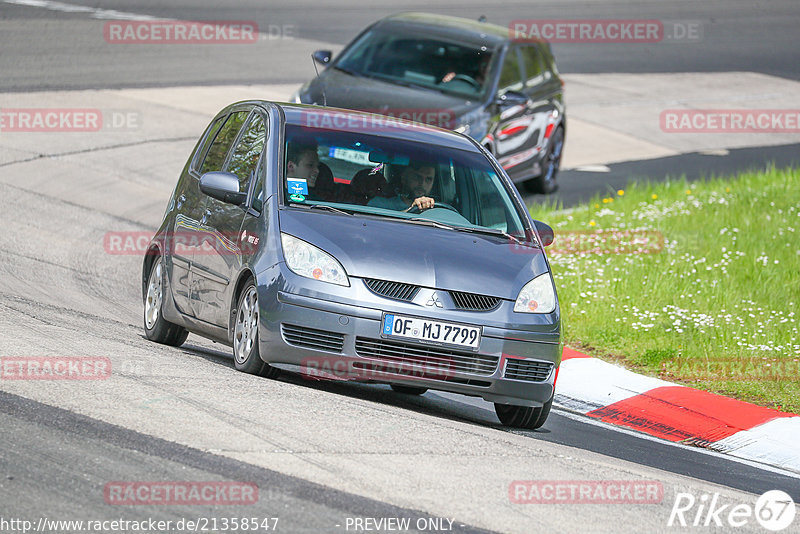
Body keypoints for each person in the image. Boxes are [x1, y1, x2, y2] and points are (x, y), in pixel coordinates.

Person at [367, 160, 437, 211]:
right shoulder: (379, 204)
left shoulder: (438, 211)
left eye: (428, 179)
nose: (422, 184)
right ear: (404, 178)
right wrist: (412, 210)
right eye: (417, 177)